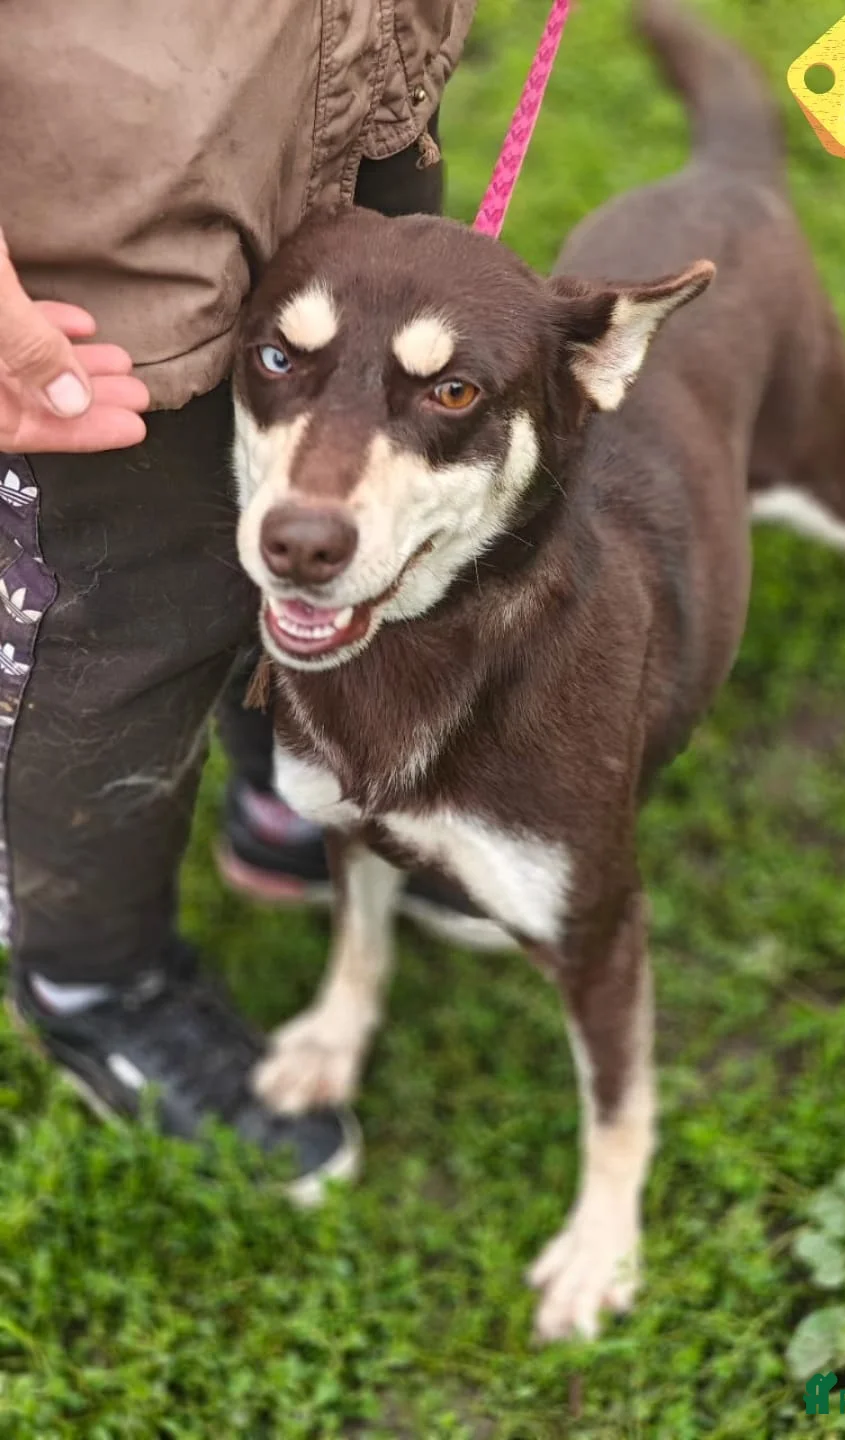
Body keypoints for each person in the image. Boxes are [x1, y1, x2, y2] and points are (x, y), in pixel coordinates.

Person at [0, 0, 490, 1198]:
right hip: (92, 234)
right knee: (116, 634)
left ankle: (284, 808)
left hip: (349, 104)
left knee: (328, 528)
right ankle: (92, 974)